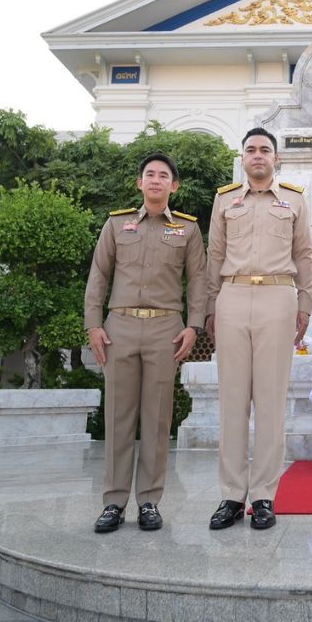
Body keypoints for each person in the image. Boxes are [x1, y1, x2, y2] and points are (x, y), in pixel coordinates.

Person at [85, 152, 206, 533]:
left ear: (174, 186)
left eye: (163, 176)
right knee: (118, 417)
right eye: (149, 174)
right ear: (140, 183)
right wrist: (93, 325)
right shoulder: (116, 224)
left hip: (165, 329)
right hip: (119, 327)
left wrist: (194, 326)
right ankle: (114, 502)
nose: (155, 180)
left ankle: (149, 501)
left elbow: (198, 280)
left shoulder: (187, 229)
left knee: (156, 419)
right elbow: (98, 275)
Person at [205, 127, 312, 530]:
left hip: (277, 296)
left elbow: (304, 254)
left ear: (276, 158)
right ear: (243, 157)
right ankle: (232, 495)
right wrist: (210, 308)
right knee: (233, 401)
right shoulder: (224, 200)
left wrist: (305, 305)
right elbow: (214, 254)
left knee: (270, 402)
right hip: (232, 296)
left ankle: (264, 495)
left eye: (265, 150)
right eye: (250, 149)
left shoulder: (294, 200)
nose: (257, 155)